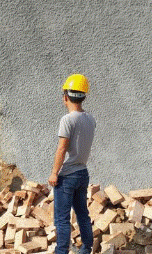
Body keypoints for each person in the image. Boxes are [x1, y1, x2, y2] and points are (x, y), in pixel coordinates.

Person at [48, 74, 96, 254]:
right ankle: (86, 249)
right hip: (83, 172)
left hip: (67, 175)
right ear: (84, 96)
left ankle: (61, 251)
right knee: (83, 214)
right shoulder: (91, 119)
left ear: (66, 96)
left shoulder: (67, 120)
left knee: (61, 218)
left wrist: (54, 173)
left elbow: (62, 149)